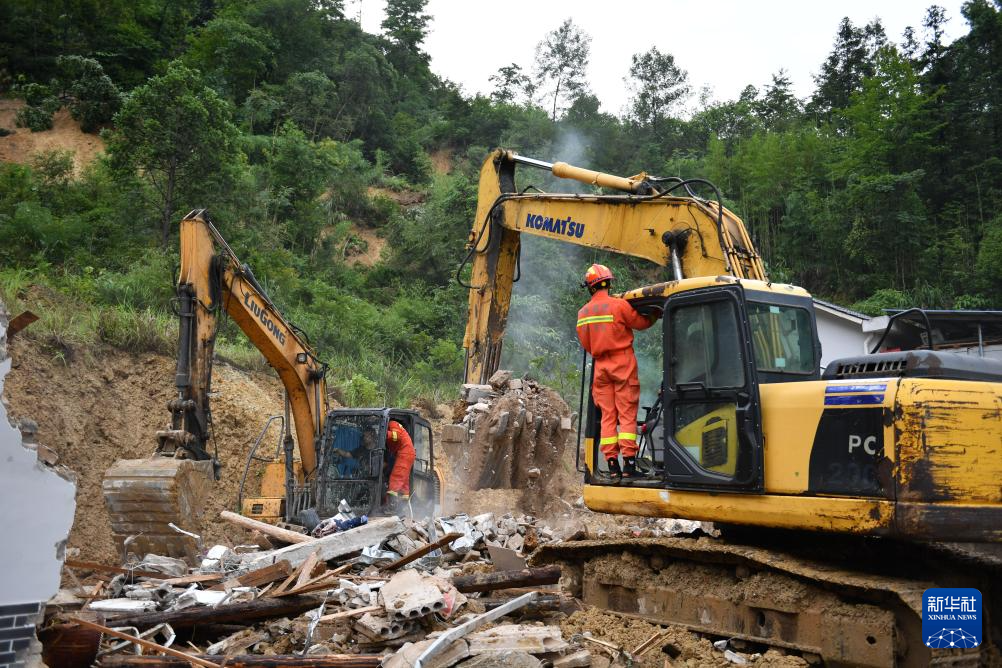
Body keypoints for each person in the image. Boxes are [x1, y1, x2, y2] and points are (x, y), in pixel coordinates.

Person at [576, 263, 658, 479]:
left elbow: (586, 344)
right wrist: (654, 316)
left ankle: (612, 465)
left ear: (590, 287)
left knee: (608, 416)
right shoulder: (619, 305)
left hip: (601, 367)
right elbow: (640, 323)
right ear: (608, 284)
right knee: (627, 414)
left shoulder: (582, 313)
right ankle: (629, 464)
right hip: (622, 364)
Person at [384, 420, 416, 510]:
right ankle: (404, 506)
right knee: (404, 483)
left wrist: (383, 434)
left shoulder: (392, 423)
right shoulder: (391, 426)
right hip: (405, 453)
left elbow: (396, 436)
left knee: (396, 478)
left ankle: (391, 506)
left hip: (405, 453)